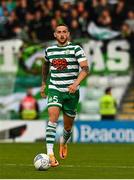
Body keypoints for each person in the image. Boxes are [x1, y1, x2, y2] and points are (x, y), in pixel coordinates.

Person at [40, 23, 89, 167]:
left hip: (71, 92)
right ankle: (50, 154)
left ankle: (64, 141)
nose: (61, 34)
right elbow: (45, 65)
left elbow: (85, 69)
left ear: (68, 34)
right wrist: (44, 83)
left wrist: (75, 84)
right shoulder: (50, 50)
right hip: (55, 89)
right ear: (55, 35)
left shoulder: (76, 49)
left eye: (64, 32)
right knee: (52, 118)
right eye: (59, 32)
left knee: (68, 127)